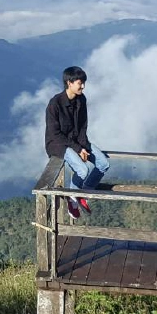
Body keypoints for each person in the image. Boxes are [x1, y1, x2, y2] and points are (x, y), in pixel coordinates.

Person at [44, 66, 109, 218]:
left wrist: (83, 146)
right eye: (80, 83)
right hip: (58, 144)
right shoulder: (55, 104)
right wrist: (78, 149)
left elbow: (82, 127)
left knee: (103, 164)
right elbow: (55, 133)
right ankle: (73, 199)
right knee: (82, 170)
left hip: (77, 140)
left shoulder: (81, 99)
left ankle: (82, 193)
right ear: (69, 83)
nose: (83, 86)